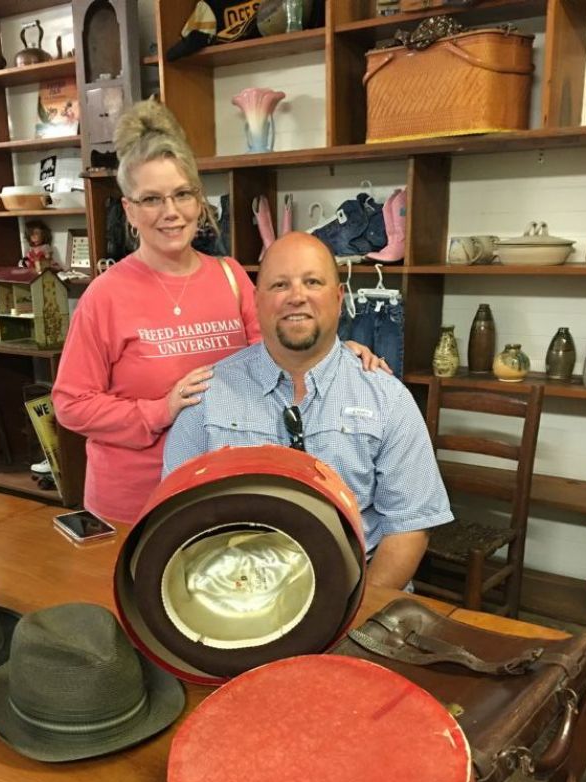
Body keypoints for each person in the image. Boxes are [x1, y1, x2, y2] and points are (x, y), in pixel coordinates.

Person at [52, 100, 386, 525]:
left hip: (223, 490)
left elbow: (279, 355)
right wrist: (160, 410)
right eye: (151, 199)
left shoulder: (230, 276)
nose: (171, 212)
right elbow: (71, 404)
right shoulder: (106, 295)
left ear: (199, 199)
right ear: (129, 210)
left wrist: (338, 355)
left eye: (182, 194)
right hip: (135, 503)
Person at [163, 231, 453, 590]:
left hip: (356, 588)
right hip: (236, 591)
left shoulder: (387, 398)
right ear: (257, 301)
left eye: (312, 282)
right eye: (280, 285)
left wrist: (360, 610)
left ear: (338, 297)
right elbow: (174, 514)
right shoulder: (207, 395)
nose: (296, 297)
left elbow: (410, 525)